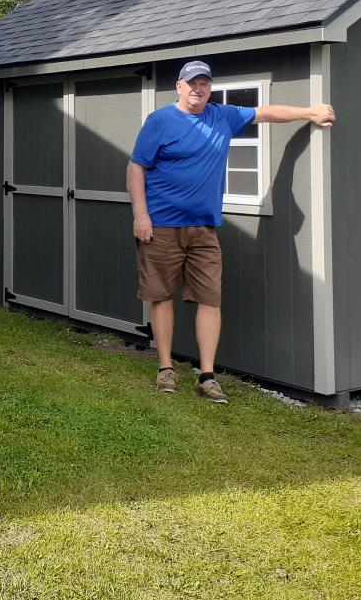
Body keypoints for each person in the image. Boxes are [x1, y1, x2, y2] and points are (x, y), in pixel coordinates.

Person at [127, 60, 335, 403]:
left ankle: (206, 376)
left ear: (210, 87)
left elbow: (266, 112)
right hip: (161, 226)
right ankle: (165, 367)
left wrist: (309, 112)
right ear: (179, 86)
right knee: (162, 296)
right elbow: (136, 167)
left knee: (210, 299)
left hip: (204, 230)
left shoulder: (222, 116)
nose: (198, 89)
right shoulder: (160, 121)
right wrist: (141, 216)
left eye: (204, 83)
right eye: (192, 83)